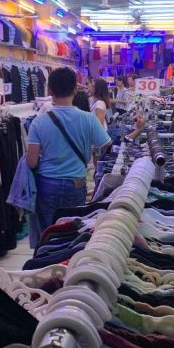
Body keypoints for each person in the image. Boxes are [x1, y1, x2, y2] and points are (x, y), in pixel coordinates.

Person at [26, 68, 111, 247]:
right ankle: (66, 269)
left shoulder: (39, 122)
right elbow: (106, 146)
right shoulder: (88, 119)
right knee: (71, 233)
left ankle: (45, 269)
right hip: (77, 183)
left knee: (47, 235)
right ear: (75, 89)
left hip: (47, 184)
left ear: (49, 90)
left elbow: (31, 161)